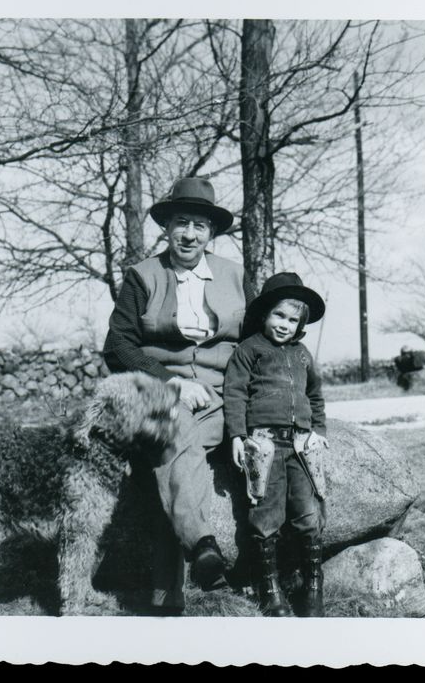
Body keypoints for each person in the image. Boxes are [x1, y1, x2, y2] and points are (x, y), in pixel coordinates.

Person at [102, 177, 245, 614]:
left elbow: (253, 341)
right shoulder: (142, 276)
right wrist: (170, 380)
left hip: (222, 394)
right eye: (181, 223)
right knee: (175, 433)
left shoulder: (234, 276)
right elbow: (118, 345)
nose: (189, 235)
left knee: (174, 461)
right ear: (167, 227)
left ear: (211, 233)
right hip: (162, 392)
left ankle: (169, 595)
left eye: (200, 226)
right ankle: (202, 546)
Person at [223, 272, 329, 617]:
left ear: (301, 324)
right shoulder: (249, 349)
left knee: (307, 513)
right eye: (278, 315)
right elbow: (235, 393)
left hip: (300, 446)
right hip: (264, 445)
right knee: (265, 514)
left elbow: (315, 395)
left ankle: (313, 586)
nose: (284, 325)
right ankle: (270, 589)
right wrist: (238, 435)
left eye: (293, 319)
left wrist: (319, 430)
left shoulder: (302, 355)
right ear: (266, 313)